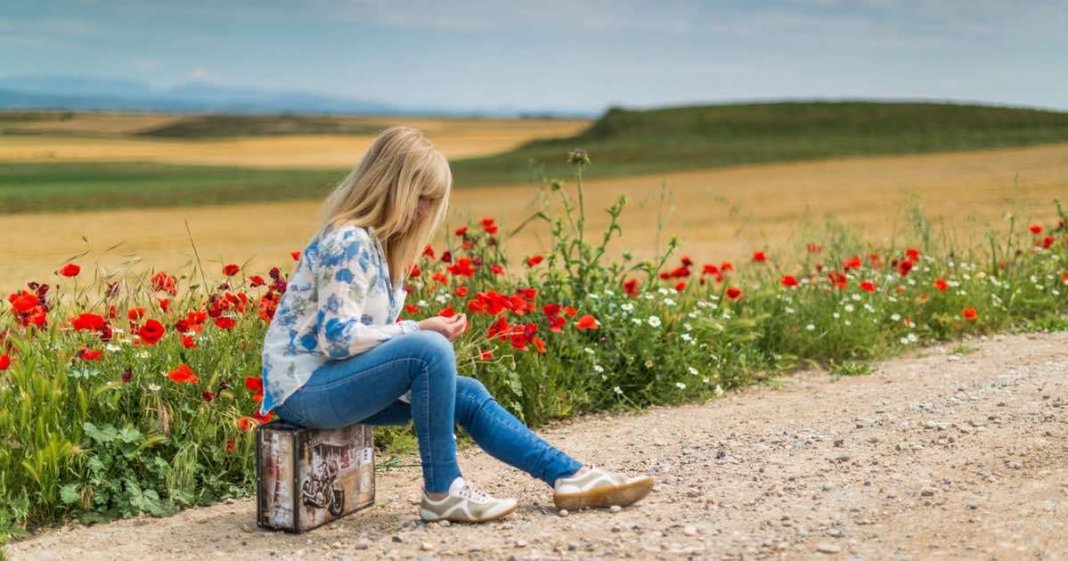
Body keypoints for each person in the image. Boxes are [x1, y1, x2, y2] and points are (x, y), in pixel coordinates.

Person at [259, 126, 654, 523]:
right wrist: (417, 331)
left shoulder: (377, 247)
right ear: (392, 187)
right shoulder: (349, 241)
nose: (424, 211)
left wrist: (415, 336)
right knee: (429, 349)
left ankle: (569, 475)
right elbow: (336, 340)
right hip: (305, 390)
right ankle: (442, 491)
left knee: (466, 393)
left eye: (432, 201)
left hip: (336, 383)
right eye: (422, 198)